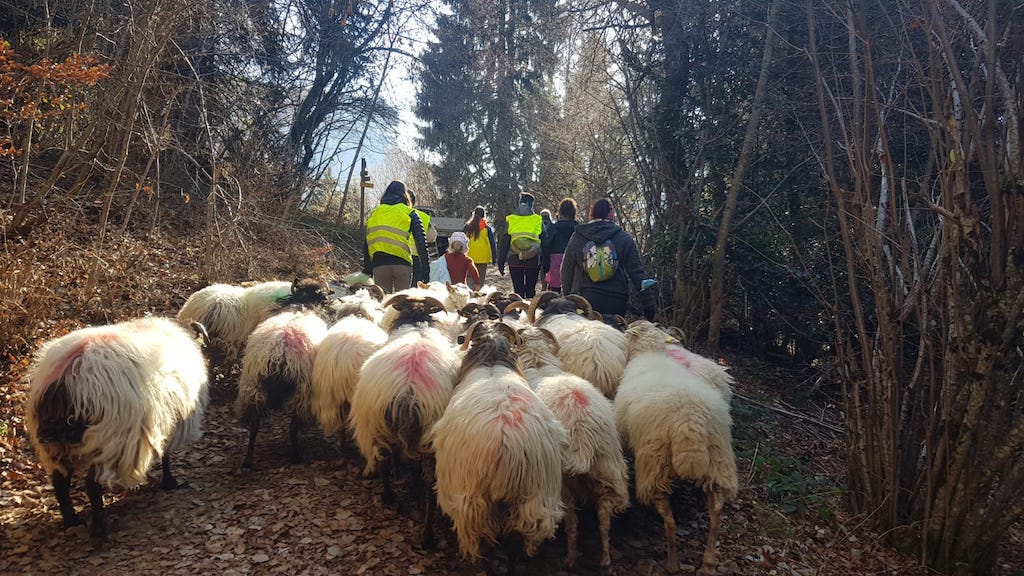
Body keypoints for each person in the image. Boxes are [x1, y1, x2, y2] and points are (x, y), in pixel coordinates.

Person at [561, 197, 655, 321]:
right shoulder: (624, 238)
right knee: (613, 336)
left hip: (586, 298)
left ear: (591, 213)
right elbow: (637, 274)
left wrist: (569, 297)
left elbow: (566, 270)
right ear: (611, 213)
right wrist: (648, 306)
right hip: (616, 300)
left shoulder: (578, 237)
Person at [362, 180, 429, 293]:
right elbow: (421, 242)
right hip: (402, 264)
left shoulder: (375, 213)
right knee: (401, 303)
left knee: (383, 303)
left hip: (379, 264)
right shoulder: (410, 213)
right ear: (405, 195)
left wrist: (368, 268)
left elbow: (366, 243)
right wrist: (425, 271)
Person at [498, 192, 544, 298]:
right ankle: (529, 312)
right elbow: (544, 240)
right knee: (530, 291)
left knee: (518, 291)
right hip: (533, 260)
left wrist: (501, 262)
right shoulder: (537, 219)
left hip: (515, 260)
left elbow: (504, 242)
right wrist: (545, 262)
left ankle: (518, 311)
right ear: (531, 204)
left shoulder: (512, 219)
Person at [540, 197, 579, 294]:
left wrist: (545, 267)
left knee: (555, 293)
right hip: (574, 263)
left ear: (560, 212)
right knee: (572, 294)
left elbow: (546, 247)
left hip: (556, 263)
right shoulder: (579, 229)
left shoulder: (553, 228)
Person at [406, 188, 438, 287]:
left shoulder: (393, 213)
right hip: (418, 257)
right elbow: (432, 237)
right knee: (416, 288)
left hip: (400, 256)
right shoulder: (422, 216)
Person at [463, 206, 497, 290]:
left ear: (473, 214)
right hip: (483, 258)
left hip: (469, 256)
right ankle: (478, 296)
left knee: (469, 279)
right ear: (484, 215)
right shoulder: (486, 228)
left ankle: (470, 295)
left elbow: (462, 240)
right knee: (480, 280)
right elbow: (491, 244)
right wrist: (493, 258)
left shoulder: (467, 227)